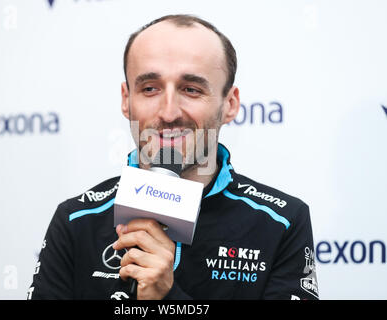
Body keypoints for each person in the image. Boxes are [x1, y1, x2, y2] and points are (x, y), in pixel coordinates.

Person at [27, 14, 319, 300]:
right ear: (126, 101)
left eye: (191, 89)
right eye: (150, 88)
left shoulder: (281, 222)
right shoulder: (76, 221)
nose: (169, 113)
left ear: (229, 104)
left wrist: (168, 297)